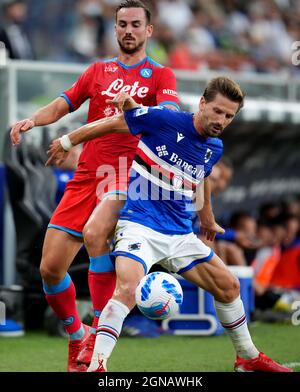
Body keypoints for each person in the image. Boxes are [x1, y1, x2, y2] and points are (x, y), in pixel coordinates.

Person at [47, 77, 291, 373]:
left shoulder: (214, 147)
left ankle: (247, 357)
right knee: (126, 288)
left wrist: (208, 218)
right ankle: (97, 366)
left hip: (179, 233)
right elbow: (111, 123)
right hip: (140, 227)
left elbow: (201, 177)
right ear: (202, 103)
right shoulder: (165, 119)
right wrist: (66, 141)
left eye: (229, 116)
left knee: (229, 287)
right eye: (217, 111)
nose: (221, 120)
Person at [10, 0, 180, 372]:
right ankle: (78, 336)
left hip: (127, 175)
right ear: (115, 29)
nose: (129, 30)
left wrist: (135, 106)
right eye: (122, 24)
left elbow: (168, 117)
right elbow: (63, 103)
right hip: (86, 175)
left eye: (136, 24)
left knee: (94, 233)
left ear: (148, 31)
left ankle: (102, 335)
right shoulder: (98, 71)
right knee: (50, 269)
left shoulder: (160, 75)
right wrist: (32, 120)